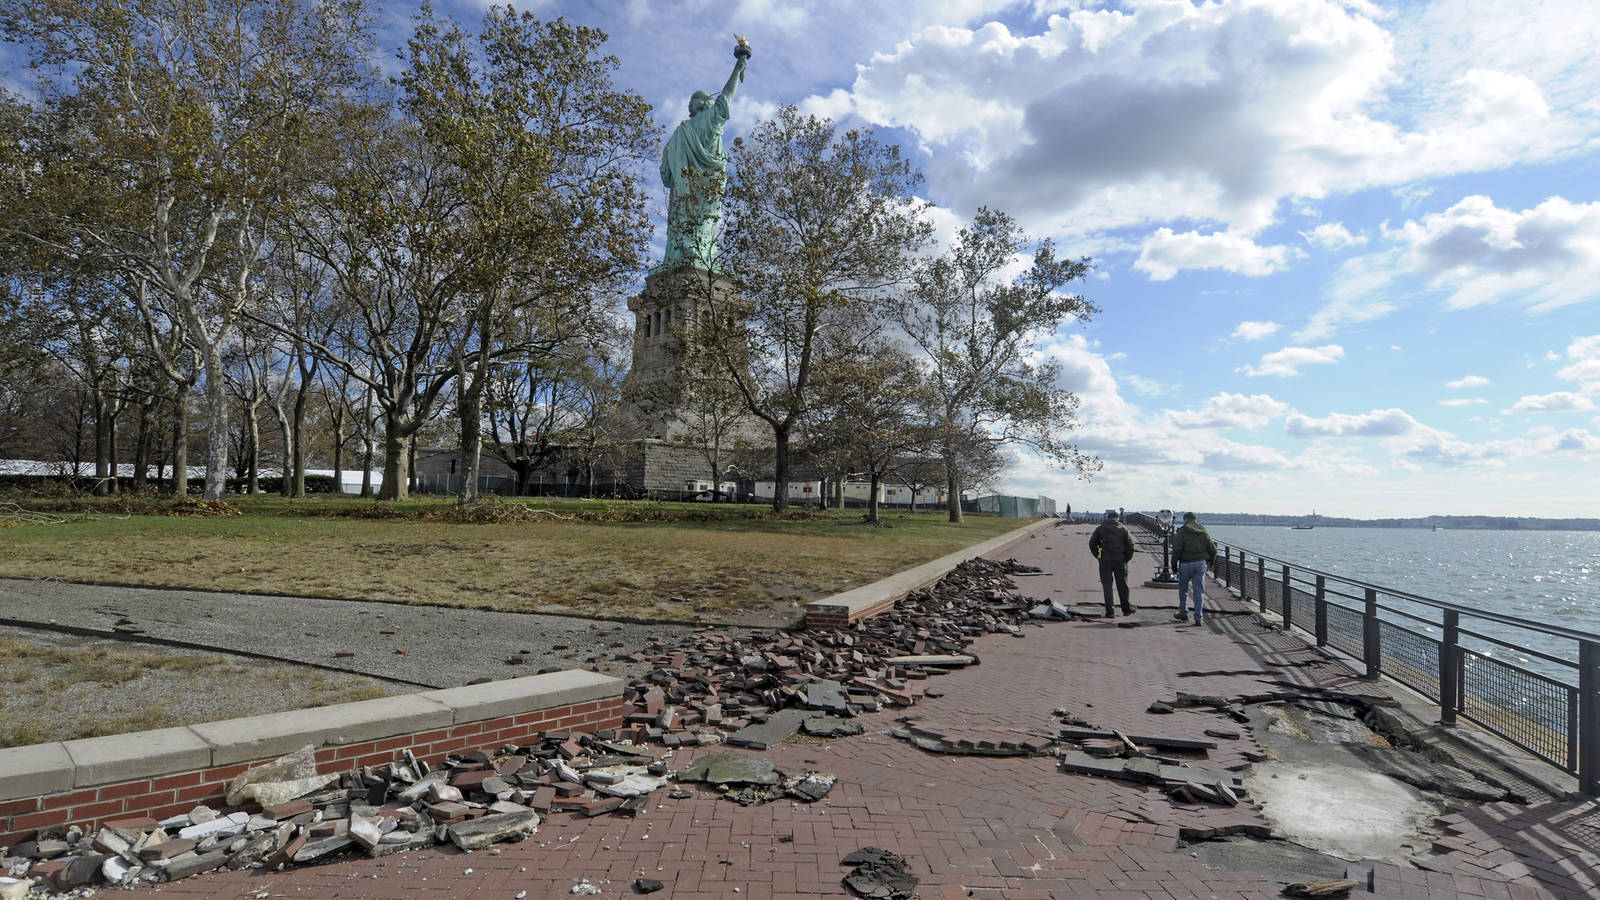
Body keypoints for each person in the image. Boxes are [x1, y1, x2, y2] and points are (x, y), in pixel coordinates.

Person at [659, 39, 750, 270]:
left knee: (700, 220)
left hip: (694, 186)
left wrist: (738, 68)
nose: (689, 104)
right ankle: (693, 256)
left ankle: (697, 256)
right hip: (705, 183)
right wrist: (739, 67)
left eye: (693, 100)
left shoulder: (704, 121)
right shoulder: (683, 131)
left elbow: (727, 96)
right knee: (703, 219)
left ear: (703, 103)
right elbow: (668, 160)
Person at [1170, 511, 1218, 625]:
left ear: (1186, 519)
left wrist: (1174, 564)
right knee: (1199, 591)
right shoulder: (1203, 531)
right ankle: (1198, 618)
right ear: (1195, 520)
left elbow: (1177, 550)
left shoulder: (1182, 531)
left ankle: (1183, 613)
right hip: (1200, 564)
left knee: (1183, 590)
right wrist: (1211, 560)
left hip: (1185, 563)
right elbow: (1213, 549)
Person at [1089, 510, 1136, 617]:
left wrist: (1098, 556)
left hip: (1105, 560)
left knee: (1107, 585)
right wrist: (1126, 558)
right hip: (1120, 560)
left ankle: (1110, 611)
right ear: (1117, 518)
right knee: (1122, 585)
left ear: (1108, 518)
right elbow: (1131, 545)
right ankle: (1126, 609)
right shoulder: (1123, 529)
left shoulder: (1100, 529)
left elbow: (1092, 543)